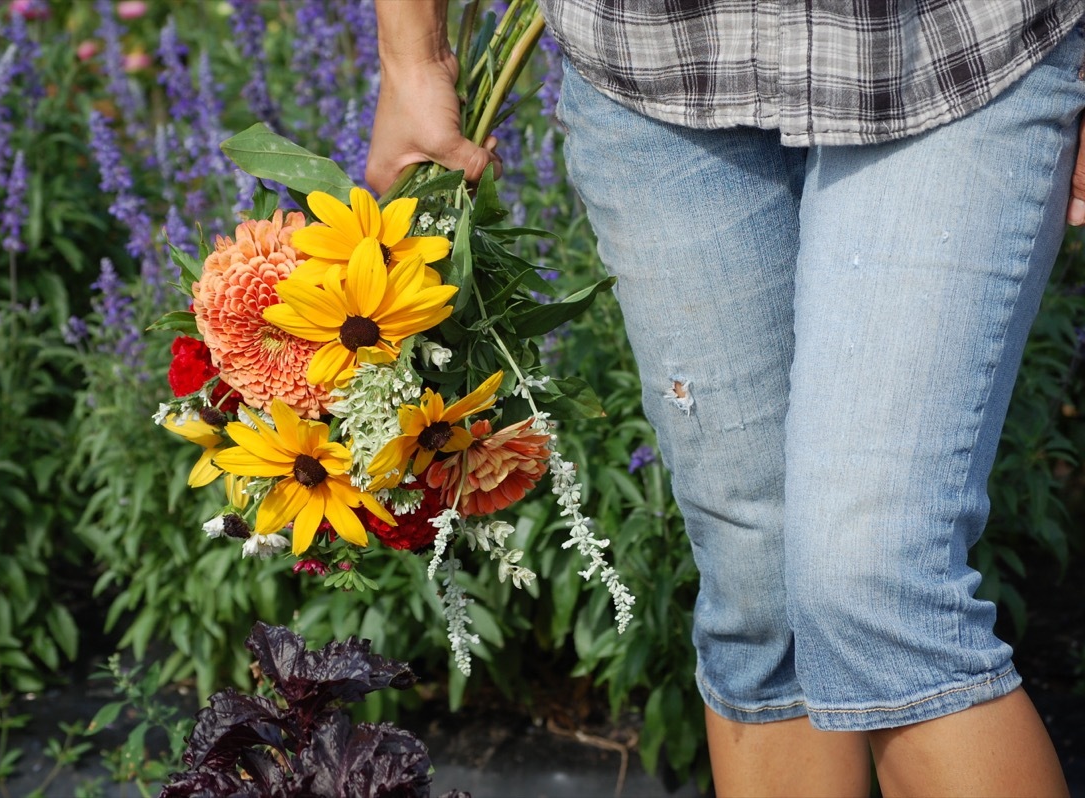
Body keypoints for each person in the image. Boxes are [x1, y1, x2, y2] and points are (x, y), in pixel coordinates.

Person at [366, 1, 1080, 795]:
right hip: (654, 60)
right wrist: (413, 58)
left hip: (952, 50)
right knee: (756, 592)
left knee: (873, 583)